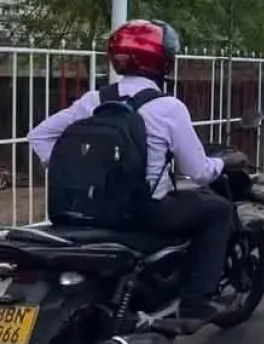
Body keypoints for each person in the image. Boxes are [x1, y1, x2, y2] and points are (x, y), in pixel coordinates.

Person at [27, 20, 245, 326]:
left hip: (91, 209)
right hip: (146, 212)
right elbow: (199, 173)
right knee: (219, 210)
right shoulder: (168, 107)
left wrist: (69, 171)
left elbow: (38, 136)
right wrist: (225, 163)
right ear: (163, 61)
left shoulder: (95, 100)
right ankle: (197, 302)